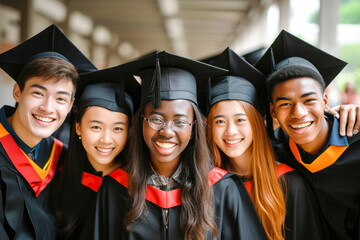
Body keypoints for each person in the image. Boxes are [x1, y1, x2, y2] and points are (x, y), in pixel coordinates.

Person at [94, 51, 267, 239]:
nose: (167, 131)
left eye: (180, 121)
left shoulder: (223, 189)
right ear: (141, 121)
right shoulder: (115, 189)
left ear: (194, 127)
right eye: (156, 119)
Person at [202, 47, 329, 240]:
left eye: (240, 120)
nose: (231, 131)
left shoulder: (289, 184)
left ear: (259, 123)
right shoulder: (207, 183)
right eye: (220, 121)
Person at [256, 30, 360, 240]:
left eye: (309, 100)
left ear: (325, 101)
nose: (298, 113)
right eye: (285, 104)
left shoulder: (356, 143)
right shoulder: (278, 149)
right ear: (273, 111)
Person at [0, 24, 96, 239]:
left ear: (70, 106)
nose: (47, 107)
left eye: (60, 98)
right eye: (38, 93)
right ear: (18, 92)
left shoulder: (63, 159)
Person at [52, 66, 140, 239]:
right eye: (96, 127)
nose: (106, 139)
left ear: (129, 131)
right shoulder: (57, 175)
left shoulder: (135, 188)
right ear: (78, 127)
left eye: (117, 128)